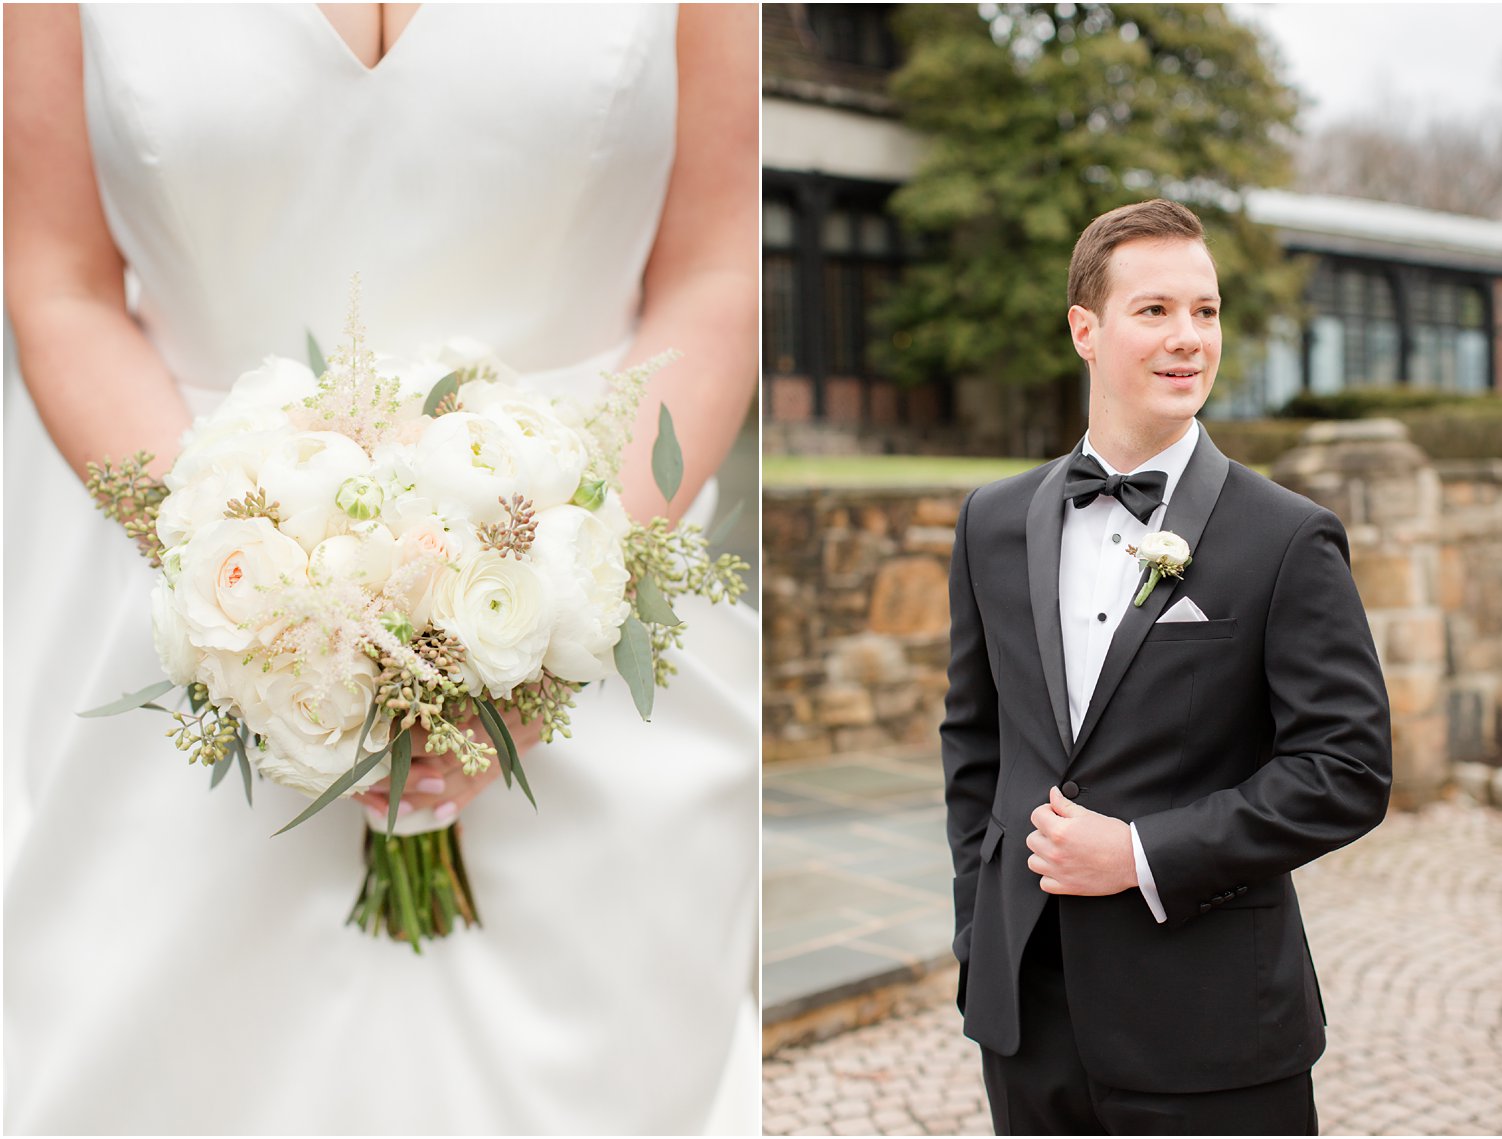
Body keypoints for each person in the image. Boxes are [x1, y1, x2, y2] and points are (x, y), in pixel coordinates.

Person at [4, 5, 758, 1133]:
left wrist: (557, 596)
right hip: (181, 599)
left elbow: (714, 267)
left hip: (591, 596)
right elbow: (54, 274)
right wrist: (259, 597)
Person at [941, 198, 1392, 1135]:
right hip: (1028, 1022)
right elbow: (974, 745)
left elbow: (1346, 772)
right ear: (1085, 330)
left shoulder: (1286, 537)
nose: (1189, 338)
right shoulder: (992, 521)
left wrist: (1140, 854)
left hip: (1212, 1024)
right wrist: (978, 936)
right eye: (1155, 311)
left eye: (1207, 311)